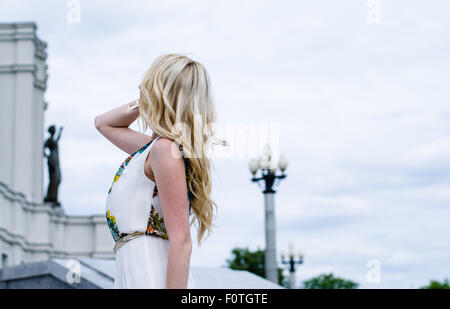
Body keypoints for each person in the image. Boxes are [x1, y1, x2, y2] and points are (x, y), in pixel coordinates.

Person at [94, 53, 225, 289]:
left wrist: (151, 96)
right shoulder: (152, 150)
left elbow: (182, 241)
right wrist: (143, 101)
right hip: (133, 273)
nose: (141, 89)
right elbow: (102, 123)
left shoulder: (164, 150)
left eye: (148, 86)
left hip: (150, 275)